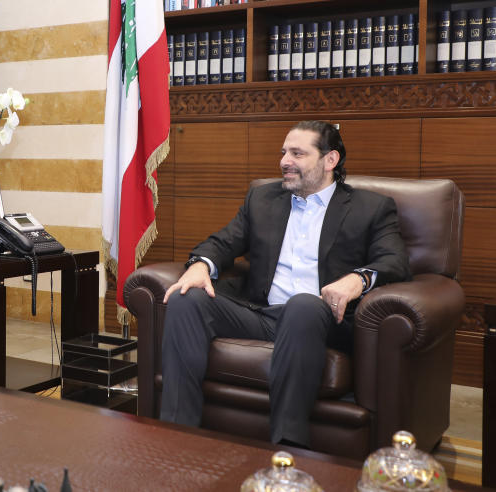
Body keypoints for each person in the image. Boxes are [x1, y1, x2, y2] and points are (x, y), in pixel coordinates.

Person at [159, 120, 410, 448]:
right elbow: (223, 242)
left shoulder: (370, 208)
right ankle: (176, 438)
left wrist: (357, 280)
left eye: (297, 153)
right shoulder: (263, 198)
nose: (284, 161)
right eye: (283, 153)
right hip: (260, 312)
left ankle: (288, 447)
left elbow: (396, 261)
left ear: (329, 160)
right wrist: (199, 267)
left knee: (303, 305)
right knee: (185, 297)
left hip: (320, 319)